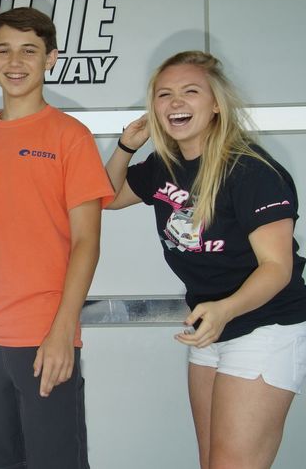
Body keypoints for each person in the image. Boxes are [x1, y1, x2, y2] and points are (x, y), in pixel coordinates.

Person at [105, 50, 306, 469]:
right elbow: (105, 198)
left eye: (190, 91)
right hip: (211, 327)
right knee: (213, 462)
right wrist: (126, 146)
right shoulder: (164, 165)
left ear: (216, 103)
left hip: (266, 326)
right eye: (165, 94)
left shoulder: (252, 171)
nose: (175, 102)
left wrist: (224, 309)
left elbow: (277, 267)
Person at [0, 7, 114, 469]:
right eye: (4, 50)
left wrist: (61, 332)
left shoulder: (70, 136)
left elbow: (86, 243)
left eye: (29, 50)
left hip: (43, 338)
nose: (16, 62)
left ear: (51, 58)